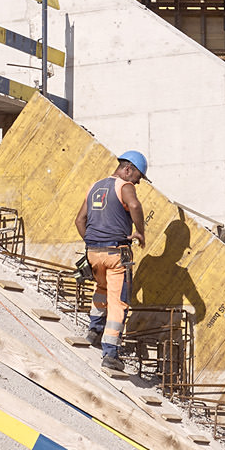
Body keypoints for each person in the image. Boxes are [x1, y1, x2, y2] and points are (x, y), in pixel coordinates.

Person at [74, 151, 147, 375]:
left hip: (94, 252)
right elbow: (134, 206)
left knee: (102, 289)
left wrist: (92, 243)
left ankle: (94, 331)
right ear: (128, 169)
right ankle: (111, 354)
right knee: (118, 302)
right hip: (116, 253)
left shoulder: (94, 186)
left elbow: (79, 220)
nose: (138, 181)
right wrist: (140, 232)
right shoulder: (124, 186)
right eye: (138, 176)